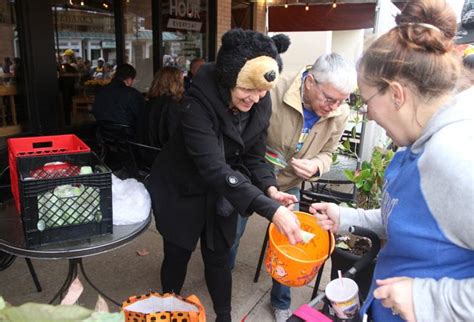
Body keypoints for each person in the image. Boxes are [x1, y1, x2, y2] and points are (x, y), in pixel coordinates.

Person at [311, 0, 474, 321]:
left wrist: (426, 298)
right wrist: (345, 216)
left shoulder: (455, 158)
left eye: (367, 100)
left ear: (397, 94)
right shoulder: (416, 138)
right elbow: (416, 219)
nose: (367, 113)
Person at [147, 29, 304, 322]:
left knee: (218, 256)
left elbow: (254, 158)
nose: (256, 99)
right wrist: (270, 211)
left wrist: (270, 189)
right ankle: (167, 307)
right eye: (249, 90)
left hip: (222, 191)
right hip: (182, 187)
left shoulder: (260, 100)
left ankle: (224, 316)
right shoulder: (197, 102)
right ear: (229, 77)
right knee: (178, 253)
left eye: (262, 92)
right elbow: (213, 168)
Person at [228, 53, 357, 321]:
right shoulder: (274, 90)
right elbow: (243, 134)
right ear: (309, 82)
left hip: (290, 185)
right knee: (232, 233)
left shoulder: (339, 111)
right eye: (329, 99)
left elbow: (329, 152)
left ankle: (281, 302)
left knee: (291, 243)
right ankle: (223, 275)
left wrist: (317, 165)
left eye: (342, 101)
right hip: (250, 175)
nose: (334, 107)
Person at [138, 66, 184, 147]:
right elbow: (174, 139)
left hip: (145, 153)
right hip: (161, 155)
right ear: (176, 83)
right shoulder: (171, 105)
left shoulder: (149, 102)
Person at [92, 63, 144, 133]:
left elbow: (95, 112)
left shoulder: (101, 91)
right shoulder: (132, 94)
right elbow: (142, 117)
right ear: (129, 80)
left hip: (103, 136)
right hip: (128, 138)